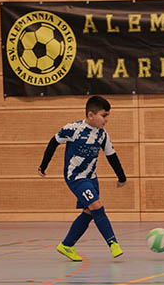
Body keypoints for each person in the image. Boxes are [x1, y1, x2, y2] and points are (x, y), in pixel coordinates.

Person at [38, 95, 127, 261]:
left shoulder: (102, 135)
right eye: (104, 115)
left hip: (92, 178)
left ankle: (67, 245)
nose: (106, 120)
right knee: (97, 206)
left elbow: (111, 156)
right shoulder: (73, 129)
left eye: (108, 116)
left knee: (89, 212)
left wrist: (122, 177)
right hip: (76, 177)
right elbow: (53, 142)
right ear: (91, 115)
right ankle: (113, 243)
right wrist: (43, 166)